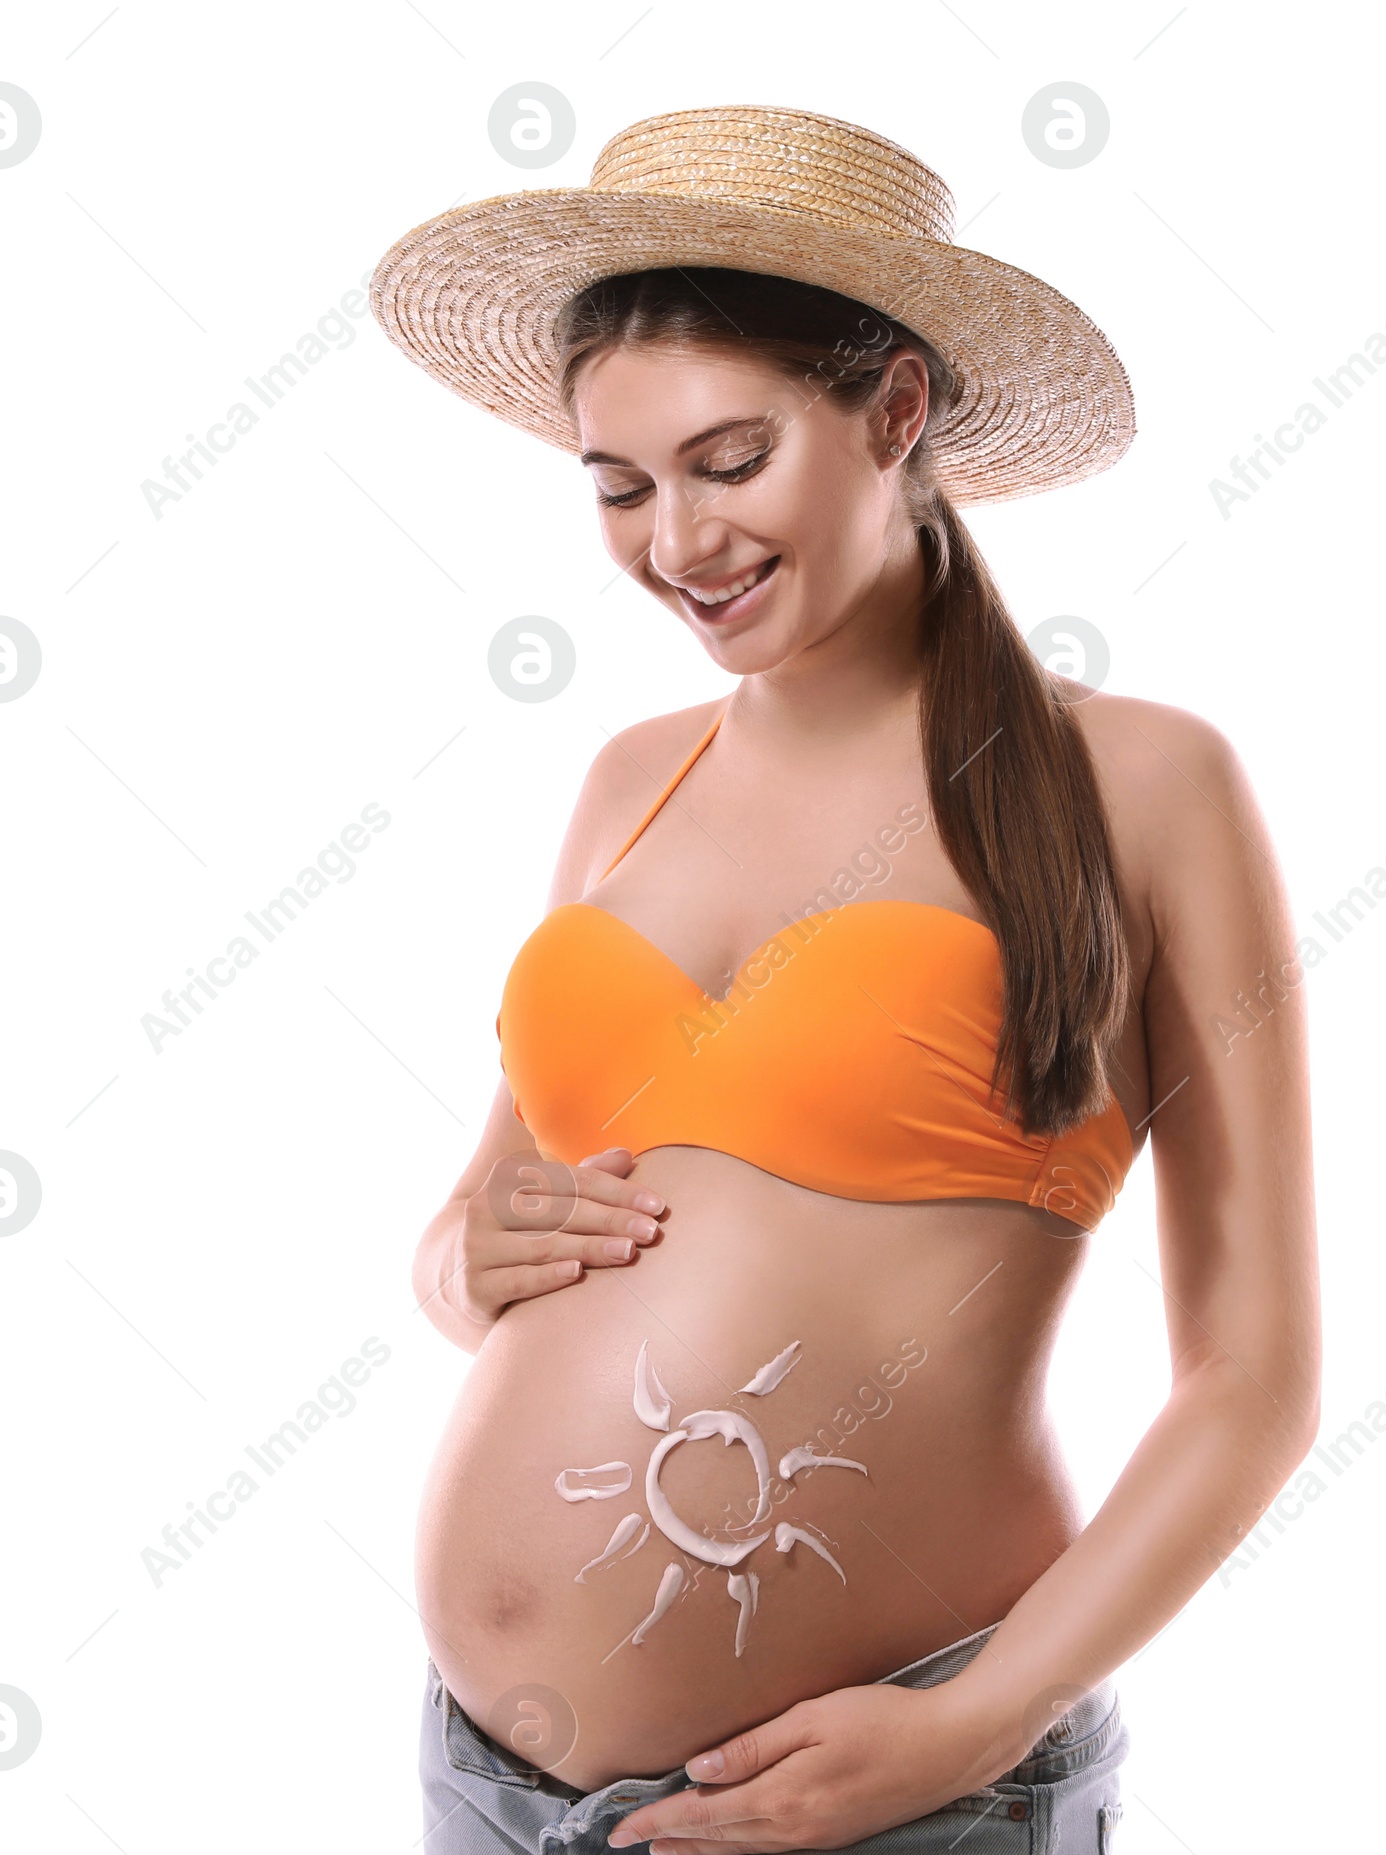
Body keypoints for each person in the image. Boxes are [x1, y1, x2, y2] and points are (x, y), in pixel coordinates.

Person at [371, 104, 1320, 1855]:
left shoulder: (1144, 784)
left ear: (895, 415)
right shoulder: (624, 781)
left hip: (901, 1799)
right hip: (489, 1790)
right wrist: (452, 1256)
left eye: (732, 461)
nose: (678, 540)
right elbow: (479, 1240)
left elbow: (1254, 1380)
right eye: (620, 484)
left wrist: (974, 1721)